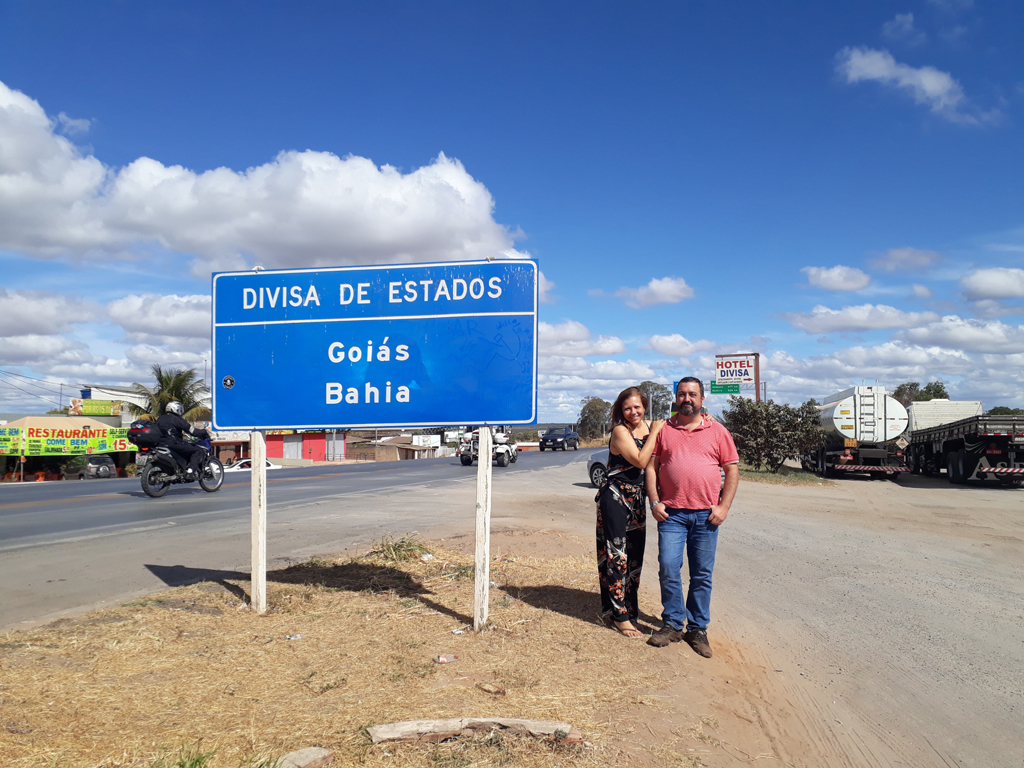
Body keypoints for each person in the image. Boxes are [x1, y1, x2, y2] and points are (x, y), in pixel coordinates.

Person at [645, 377, 739, 657]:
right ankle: (673, 624)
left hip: (705, 516)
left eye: (693, 394)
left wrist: (724, 507)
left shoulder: (718, 431)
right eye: (682, 394)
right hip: (671, 514)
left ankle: (697, 629)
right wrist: (654, 502)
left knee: (701, 574)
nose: (687, 398)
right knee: (669, 568)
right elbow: (651, 467)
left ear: (702, 399)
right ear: (676, 398)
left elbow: (732, 470)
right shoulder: (664, 430)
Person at [596, 386, 664, 638]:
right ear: (620, 411)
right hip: (615, 496)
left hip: (637, 498)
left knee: (634, 556)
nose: (633, 411)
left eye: (637, 407)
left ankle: (630, 609)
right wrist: (656, 431)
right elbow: (640, 460)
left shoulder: (650, 427)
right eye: (627, 408)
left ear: (644, 406)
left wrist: (708, 417)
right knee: (617, 555)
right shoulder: (620, 431)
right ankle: (619, 616)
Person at [156, 401, 209, 478]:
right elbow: (192, 431)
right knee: (198, 450)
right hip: (174, 443)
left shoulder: (161, 418)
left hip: (161, 444)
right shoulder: (177, 419)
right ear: (177, 409)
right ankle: (190, 471)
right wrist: (203, 432)